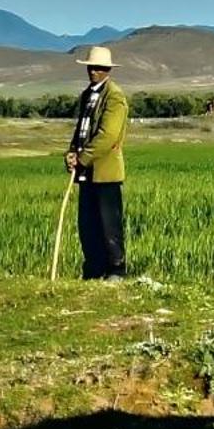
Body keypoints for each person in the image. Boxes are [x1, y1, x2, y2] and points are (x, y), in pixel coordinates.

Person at [66, 46, 130, 279]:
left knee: (108, 224)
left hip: (105, 172)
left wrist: (83, 158)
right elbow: (81, 129)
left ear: (108, 70)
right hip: (86, 172)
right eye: (91, 67)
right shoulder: (86, 95)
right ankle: (93, 270)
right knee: (87, 224)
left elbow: (107, 135)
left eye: (99, 67)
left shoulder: (114, 96)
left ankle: (116, 270)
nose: (94, 71)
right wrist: (72, 152)